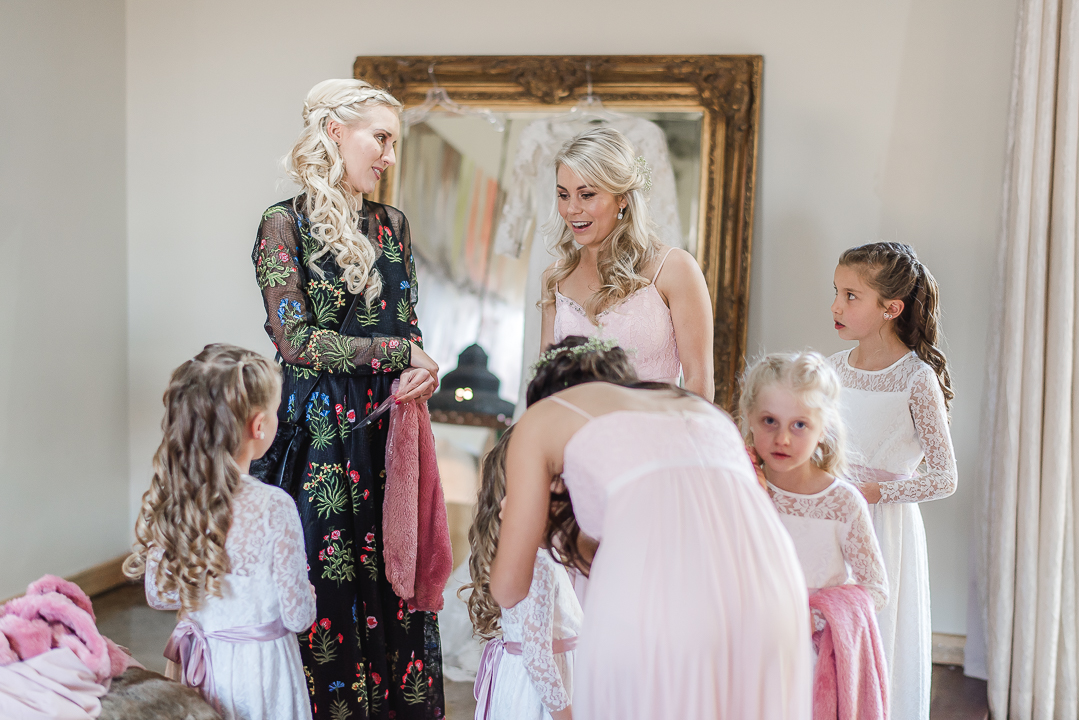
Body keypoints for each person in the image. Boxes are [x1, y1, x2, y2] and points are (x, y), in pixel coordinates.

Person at [491, 337, 812, 720]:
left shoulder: (543, 417)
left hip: (665, 613)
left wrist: (526, 521)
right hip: (776, 594)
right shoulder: (700, 410)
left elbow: (508, 589)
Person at [251, 79, 443, 719]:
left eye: (394, 142)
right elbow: (297, 341)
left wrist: (421, 370)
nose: (390, 156)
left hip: (388, 433)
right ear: (335, 133)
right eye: (380, 138)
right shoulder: (283, 224)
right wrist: (397, 353)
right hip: (317, 441)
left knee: (395, 583)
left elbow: (406, 327)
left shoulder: (393, 225)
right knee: (325, 587)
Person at [123, 344, 317, 720]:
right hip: (262, 675)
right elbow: (298, 618)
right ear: (259, 426)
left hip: (201, 666)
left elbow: (160, 595)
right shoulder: (273, 506)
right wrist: (307, 595)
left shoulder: (178, 496)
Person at [828, 242, 958, 720]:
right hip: (833, 519)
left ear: (891, 308)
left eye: (851, 296)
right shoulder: (832, 368)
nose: (836, 306)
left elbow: (944, 477)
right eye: (835, 292)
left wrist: (876, 492)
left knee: (878, 636)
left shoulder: (916, 379)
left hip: (885, 528)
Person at [539, 127, 715, 400]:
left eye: (587, 195)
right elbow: (545, 387)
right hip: (573, 427)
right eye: (564, 195)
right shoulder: (556, 277)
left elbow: (699, 385)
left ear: (621, 198)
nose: (571, 209)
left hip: (655, 425)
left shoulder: (675, 269)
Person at [465, 426, 583, 720]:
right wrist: (566, 716)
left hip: (529, 683)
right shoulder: (537, 562)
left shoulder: (531, 553)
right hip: (540, 698)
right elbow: (538, 659)